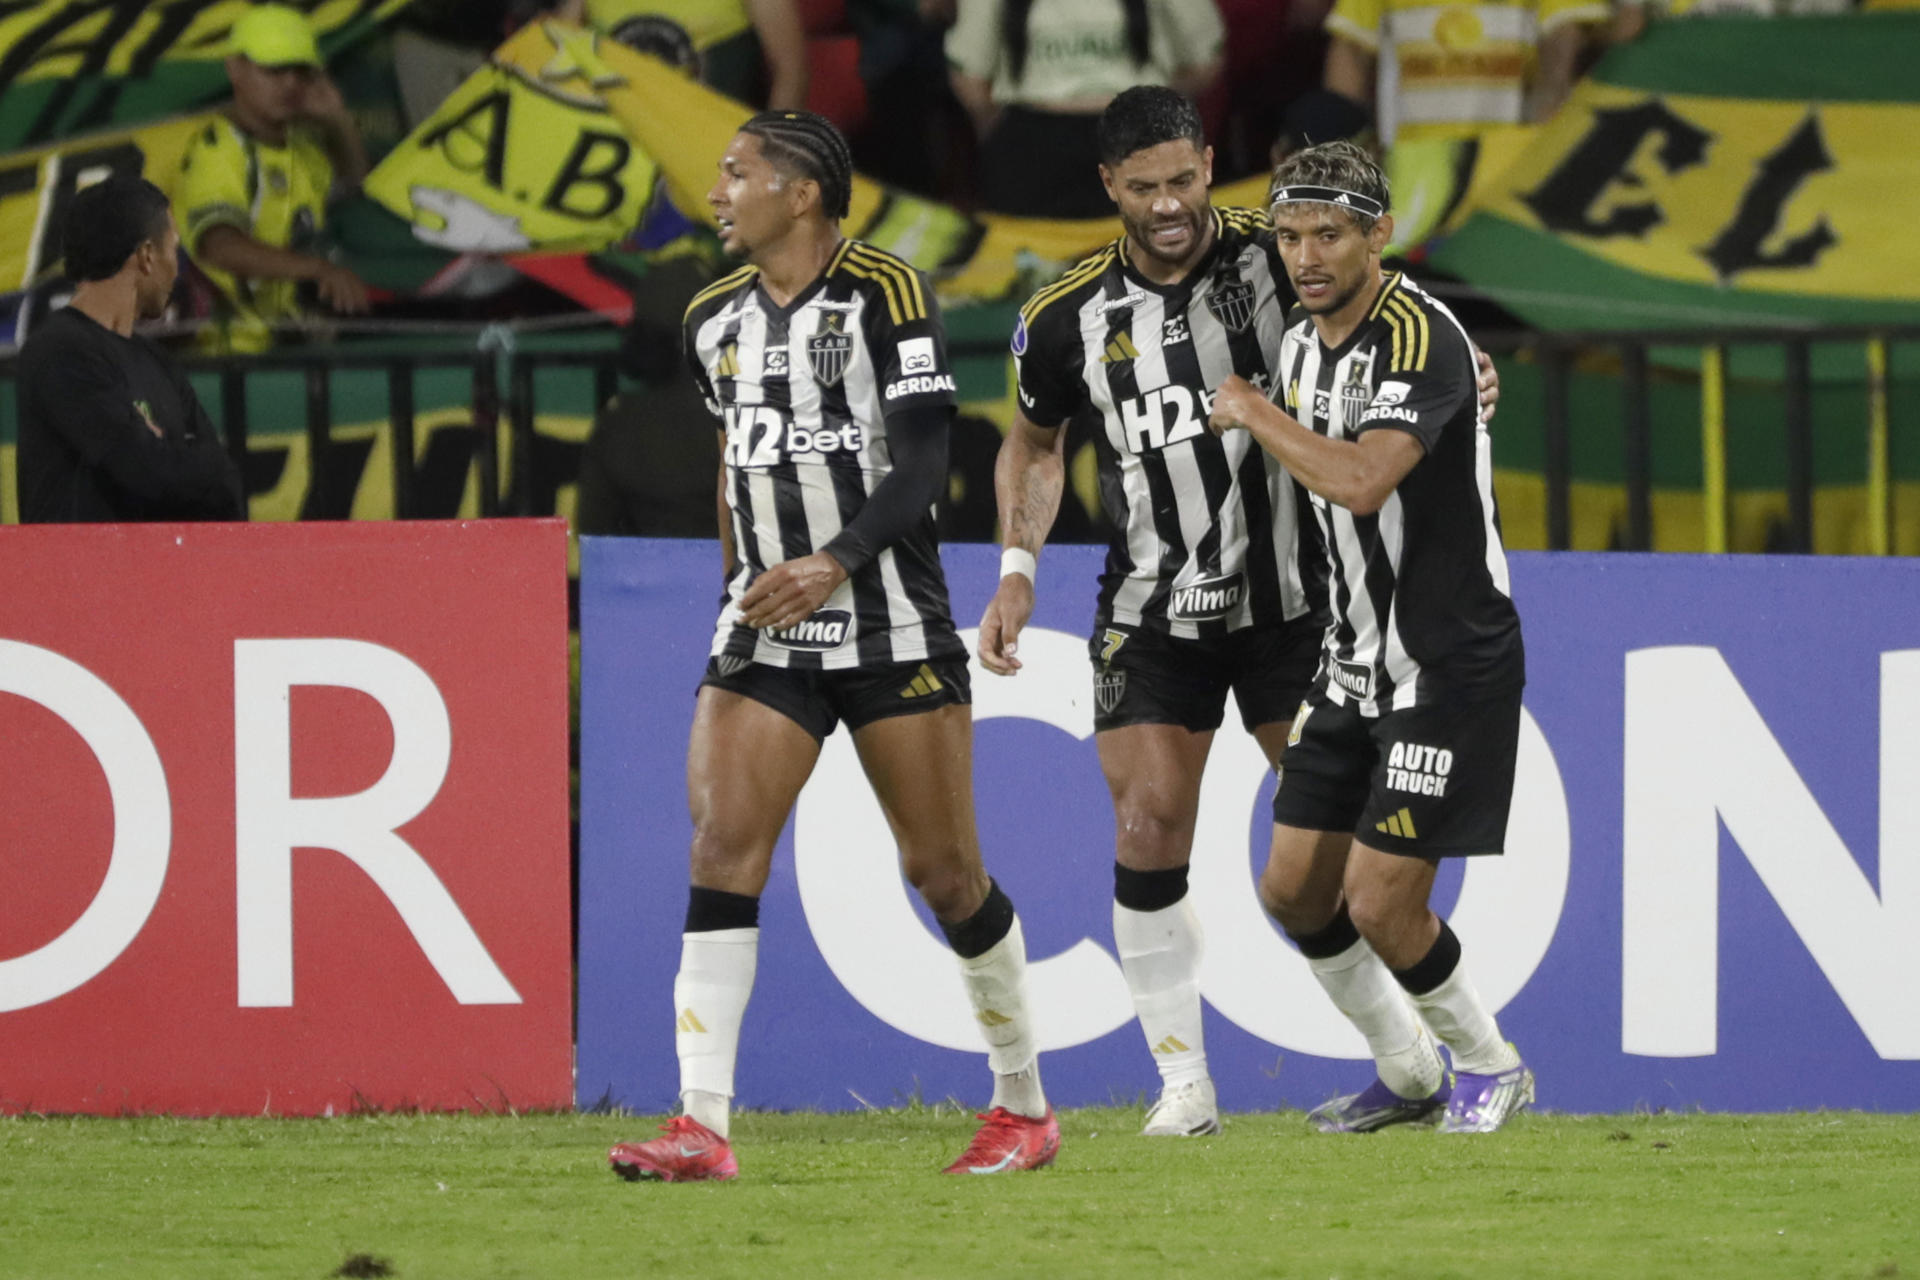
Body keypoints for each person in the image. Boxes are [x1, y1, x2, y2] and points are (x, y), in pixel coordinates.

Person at [979, 86, 1496, 1138]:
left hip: (1298, 607)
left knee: (1329, 866)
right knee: (1147, 822)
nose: (1168, 204)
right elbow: (1034, 443)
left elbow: (1391, 320)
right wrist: (1017, 566)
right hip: (1149, 603)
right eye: (1143, 188)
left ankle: (1413, 1058)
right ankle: (1186, 1085)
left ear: (1209, 162)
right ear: (1108, 188)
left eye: (1183, 179)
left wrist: (1469, 365)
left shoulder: (1286, 248)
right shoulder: (1062, 315)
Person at [606, 109, 1058, 1182]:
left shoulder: (888, 296)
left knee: (944, 871)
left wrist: (834, 559)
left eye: (736, 173)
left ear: (801, 192)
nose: (717, 193)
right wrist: (739, 586)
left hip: (888, 614)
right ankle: (700, 1125)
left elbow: (923, 464)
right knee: (722, 849)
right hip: (767, 630)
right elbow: (736, 462)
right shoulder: (711, 317)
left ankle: (1025, 1107)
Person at [1207, 139, 1533, 1134]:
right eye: (1292, 234)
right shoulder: (1304, 336)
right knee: (1294, 890)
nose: (1307, 254)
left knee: (1382, 903)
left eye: (1331, 234)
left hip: (1446, 662)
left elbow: (1360, 479)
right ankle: (1408, 1067)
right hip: (1350, 662)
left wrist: (1252, 409)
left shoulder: (1421, 338)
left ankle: (1490, 1062)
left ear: (1379, 234)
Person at [15, 176, 245, 524]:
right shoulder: (58, 352)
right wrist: (173, 459)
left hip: (155, 576)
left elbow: (224, 485)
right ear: (147, 256)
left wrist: (165, 456)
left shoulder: (159, 363)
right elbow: (143, 470)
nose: (177, 267)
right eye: (173, 249)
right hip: (81, 577)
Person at [173, 3, 371, 353]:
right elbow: (220, 247)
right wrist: (318, 270)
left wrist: (339, 120)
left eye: (300, 71)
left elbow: (359, 196)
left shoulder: (305, 148)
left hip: (291, 348)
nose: (290, 83)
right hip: (226, 355)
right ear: (235, 69)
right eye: (273, 69)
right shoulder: (219, 147)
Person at [946, 0, 1226, 217]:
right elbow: (971, 81)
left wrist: (1156, 110)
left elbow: (1204, 62)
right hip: (1034, 147)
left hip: (1137, 138)